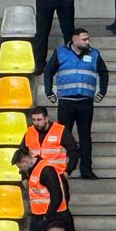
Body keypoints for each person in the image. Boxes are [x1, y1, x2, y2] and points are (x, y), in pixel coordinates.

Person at [44, 28, 109, 179]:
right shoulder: (60, 52)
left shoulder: (94, 54)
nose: (88, 42)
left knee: (85, 136)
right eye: (84, 39)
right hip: (66, 102)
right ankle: (62, 168)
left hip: (85, 102)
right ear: (74, 40)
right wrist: (49, 91)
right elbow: (49, 71)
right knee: (64, 137)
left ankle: (86, 169)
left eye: (88, 39)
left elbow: (103, 72)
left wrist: (102, 91)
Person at [24, 106, 79, 176]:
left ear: (46, 119)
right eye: (34, 120)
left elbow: (74, 152)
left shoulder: (60, 130)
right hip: (35, 176)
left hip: (57, 175)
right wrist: (24, 176)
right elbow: (22, 155)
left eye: (39, 119)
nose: (36, 123)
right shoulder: (29, 132)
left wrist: (67, 171)